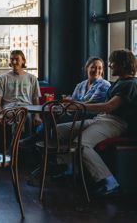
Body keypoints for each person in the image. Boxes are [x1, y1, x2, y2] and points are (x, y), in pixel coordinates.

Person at [59, 49, 137, 197]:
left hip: (117, 123)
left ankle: (110, 182)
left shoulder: (131, 84)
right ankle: (70, 171)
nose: (110, 65)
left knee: (81, 143)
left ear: (122, 64)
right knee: (59, 130)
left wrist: (78, 106)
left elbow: (109, 106)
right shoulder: (120, 82)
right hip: (102, 119)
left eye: (112, 62)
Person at [0, 49, 42, 128]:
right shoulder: (2, 78)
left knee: (25, 114)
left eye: (17, 59)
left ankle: (16, 139)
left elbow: (35, 100)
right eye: (12, 59)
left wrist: (37, 116)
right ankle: (23, 140)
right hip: (9, 108)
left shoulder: (32, 78)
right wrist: (0, 114)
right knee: (19, 114)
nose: (14, 62)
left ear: (23, 61)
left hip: (28, 108)